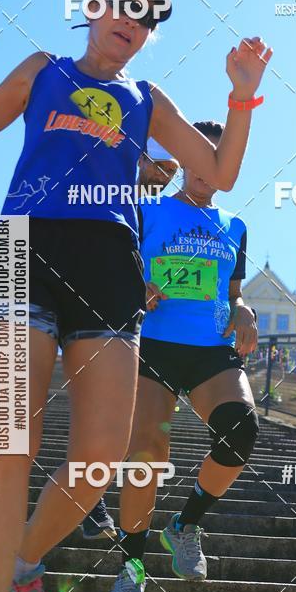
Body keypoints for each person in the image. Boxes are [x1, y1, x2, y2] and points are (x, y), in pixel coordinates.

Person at [0, 0, 271, 592]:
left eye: (151, 19)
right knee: (10, 445)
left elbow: (221, 172)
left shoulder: (150, 101)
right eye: (126, 7)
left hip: (110, 267)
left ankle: (23, 566)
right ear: (92, 10)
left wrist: (242, 91)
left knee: (102, 458)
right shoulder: (42, 71)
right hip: (23, 251)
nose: (137, 23)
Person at [108, 121, 259, 592]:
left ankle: (185, 523)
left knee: (241, 429)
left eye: (220, 160)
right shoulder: (146, 208)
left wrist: (245, 311)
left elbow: (233, 294)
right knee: (147, 451)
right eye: (200, 156)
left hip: (210, 348)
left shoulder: (234, 227)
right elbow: (113, 264)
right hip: (152, 343)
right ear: (184, 158)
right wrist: (136, 285)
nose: (206, 170)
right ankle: (132, 568)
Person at [81, 138, 180, 540]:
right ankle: (92, 502)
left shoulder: (162, 212)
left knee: (122, 417)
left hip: (139, 327)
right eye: (160, 166)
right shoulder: (110, 196)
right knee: (103, 413)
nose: (165, 176)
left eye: (172, 171)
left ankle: (94, 501)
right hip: (95, 319)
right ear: (140, 160)